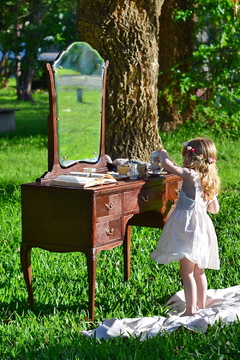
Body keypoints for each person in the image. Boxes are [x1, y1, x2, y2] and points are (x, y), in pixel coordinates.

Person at [151, 137, 221, 316]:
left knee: (187, 272)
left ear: (193, 158)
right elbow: (214, 210)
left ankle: (190, 310)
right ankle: (201, 305)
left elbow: (168, 166)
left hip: (188, 228)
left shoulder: (190, 175)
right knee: (199, 271)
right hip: (203, 229)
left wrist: (162, 154)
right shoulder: (208, 180)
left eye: (185, 157)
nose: (183, 161)